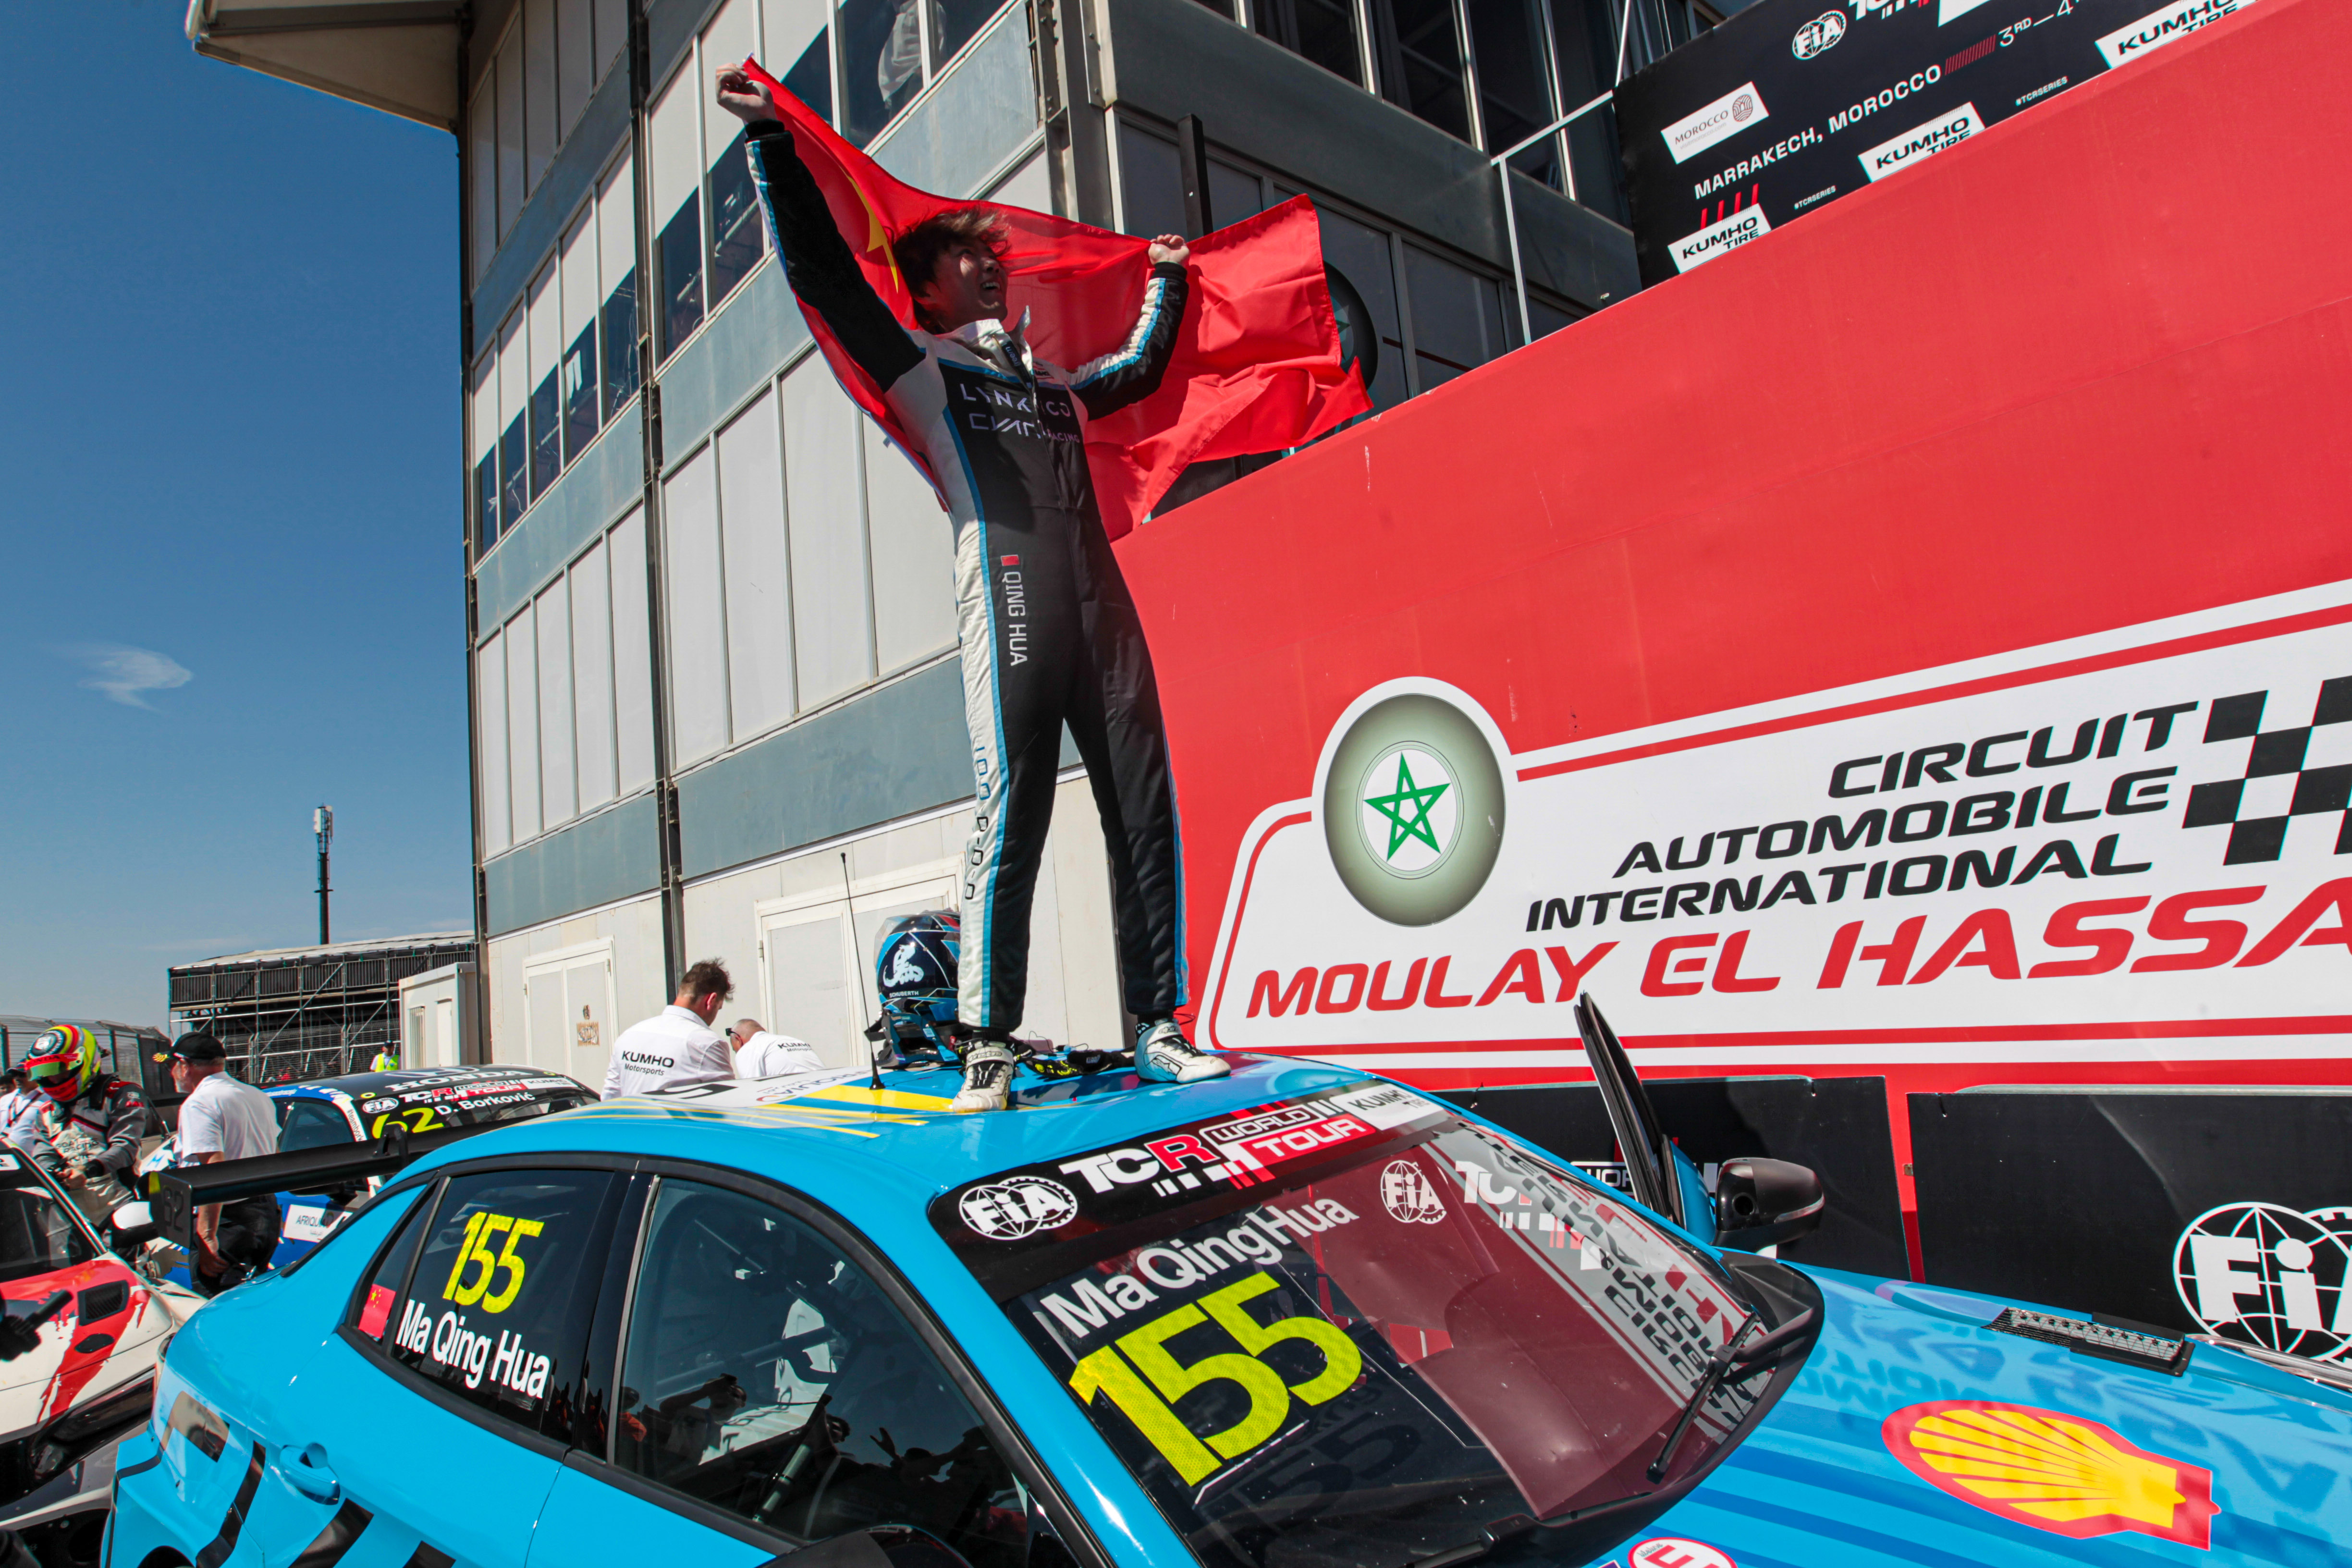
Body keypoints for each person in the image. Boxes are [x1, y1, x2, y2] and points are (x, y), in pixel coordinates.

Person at [717, 68, 1230, 1112]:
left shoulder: (1054, 385)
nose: (991, 268)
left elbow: (1136, 373)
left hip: (1104, 612)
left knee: (1144, 809)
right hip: (1014, 607)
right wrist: (771, 142)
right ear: (928, 287)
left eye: (995, 257)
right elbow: (824, 276)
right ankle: (987, 1044)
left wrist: (1167, 281)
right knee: (1016, 816)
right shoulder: (922, 368)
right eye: (967, 257)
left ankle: (1159, 1026)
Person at [169, 1032, 282, 1297]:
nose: (171, 1072)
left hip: (229, 1219)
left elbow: (213, 1168)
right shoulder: (257, 1095)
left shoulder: (199, 1103)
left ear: (185, 1066)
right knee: (252, 1300)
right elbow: (276, 1156)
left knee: (218, 1302)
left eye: (171, 1065)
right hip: (264, 1210)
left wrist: (207, 1234)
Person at [17, 1026, 149, 1209]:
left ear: (84, 1061)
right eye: (45, 1072)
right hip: (70, 1209)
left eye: (59, 1069)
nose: (53, 1079)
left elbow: (126, 1147)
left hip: (119, 1201)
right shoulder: (46, 1111)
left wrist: (87, 1171)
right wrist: (53, 1172)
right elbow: (43, 1154)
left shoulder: (121, 1094)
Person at [603, 960, 738, 1098]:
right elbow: (727, 1101)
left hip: (629, 1113)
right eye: (718, 1008)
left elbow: (610, 1096)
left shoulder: (630, 1035)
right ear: (711, 1001)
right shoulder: (706, 1044)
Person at [730, 1018, 825, 1078]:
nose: (738, 1052)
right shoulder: (795, 1041)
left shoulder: (749, 1048)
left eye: (735, 1050)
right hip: (826, 1090)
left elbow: (752, 1088)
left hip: (796, 1097)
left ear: (739, 1040)